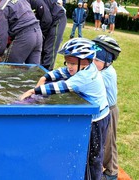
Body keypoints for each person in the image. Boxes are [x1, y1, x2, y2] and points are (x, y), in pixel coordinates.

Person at [20, 38, 110, 180]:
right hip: (92, 116)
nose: (69, 66)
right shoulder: (82, 67)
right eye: (67, 61)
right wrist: (46, 76)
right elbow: (63, 72)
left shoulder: (85, 77)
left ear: (85, 61)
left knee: (94, 156)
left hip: (97, 120)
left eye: (72, 63)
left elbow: (60, 87)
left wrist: (34, 91)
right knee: (86, 153)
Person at [92, 35, 121, 180]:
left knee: (109, 143)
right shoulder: (101, 70)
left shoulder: (106, 74)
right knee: (102, 142)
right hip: (103, 110)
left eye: (96, 60)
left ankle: (112, 172)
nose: (93, 62)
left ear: (108, 62)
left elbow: (90, 82)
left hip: (110, 111)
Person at [0, 0, 42, 64]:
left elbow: (2, 35)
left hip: (24, 36)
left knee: (11, 69)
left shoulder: (1, 9)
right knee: (33, 71)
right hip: (38, 33)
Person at [28, 0, 67, 70]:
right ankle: (39, 70)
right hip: (46, 20)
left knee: (50, 48)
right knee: (41, 48)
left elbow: (47, 20)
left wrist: (41, 33)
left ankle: (47, 72)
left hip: (57, 18)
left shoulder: (36, 1)